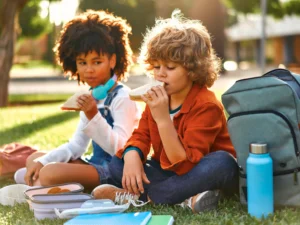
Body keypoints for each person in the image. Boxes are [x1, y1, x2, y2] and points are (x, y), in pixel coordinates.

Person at [92, 10, 239, 213]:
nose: (160, 73)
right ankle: (185, 198)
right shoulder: (159, 96)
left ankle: (149, 197)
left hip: (199, 170)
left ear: (193, 69)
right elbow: (141, 135)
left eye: (170, 67)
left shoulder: (206, 105)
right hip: (168, 172)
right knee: (119, 162)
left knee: (223, 163)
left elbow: (186, 166)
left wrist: (162, 118)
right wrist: (133, 155)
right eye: (156, 66)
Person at [14, 10, 140, 190]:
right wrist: (42, 161)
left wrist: (93, 115)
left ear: (112, 60)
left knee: (49, 173)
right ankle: (41, 182)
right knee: (34, 159)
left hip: (116, 170)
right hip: (94, 164)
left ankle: (43, 183)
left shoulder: (122, 97)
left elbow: (120, 149)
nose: (89, 70)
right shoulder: (92, 97)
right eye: (82, 63)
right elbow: (76, 146)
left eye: (97, 62)